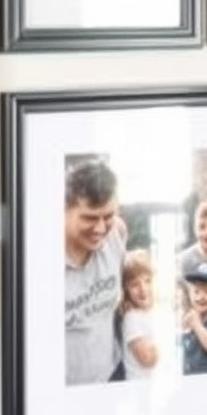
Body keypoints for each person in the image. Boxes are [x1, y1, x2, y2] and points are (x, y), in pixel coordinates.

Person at [64, 158, 127, 386]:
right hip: (63, 393)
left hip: (112, 375)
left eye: (108, 216)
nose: (100, 229)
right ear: (63, 210)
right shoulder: (41, 258)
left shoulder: (117, 232)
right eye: (89, 218)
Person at [119, 250, 160, 380]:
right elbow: (148, 360)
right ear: (126, 290)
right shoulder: (132, 318)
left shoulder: (148, 312)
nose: (143, 289)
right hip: (140, 387)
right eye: (134, 285)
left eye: (148, 281)